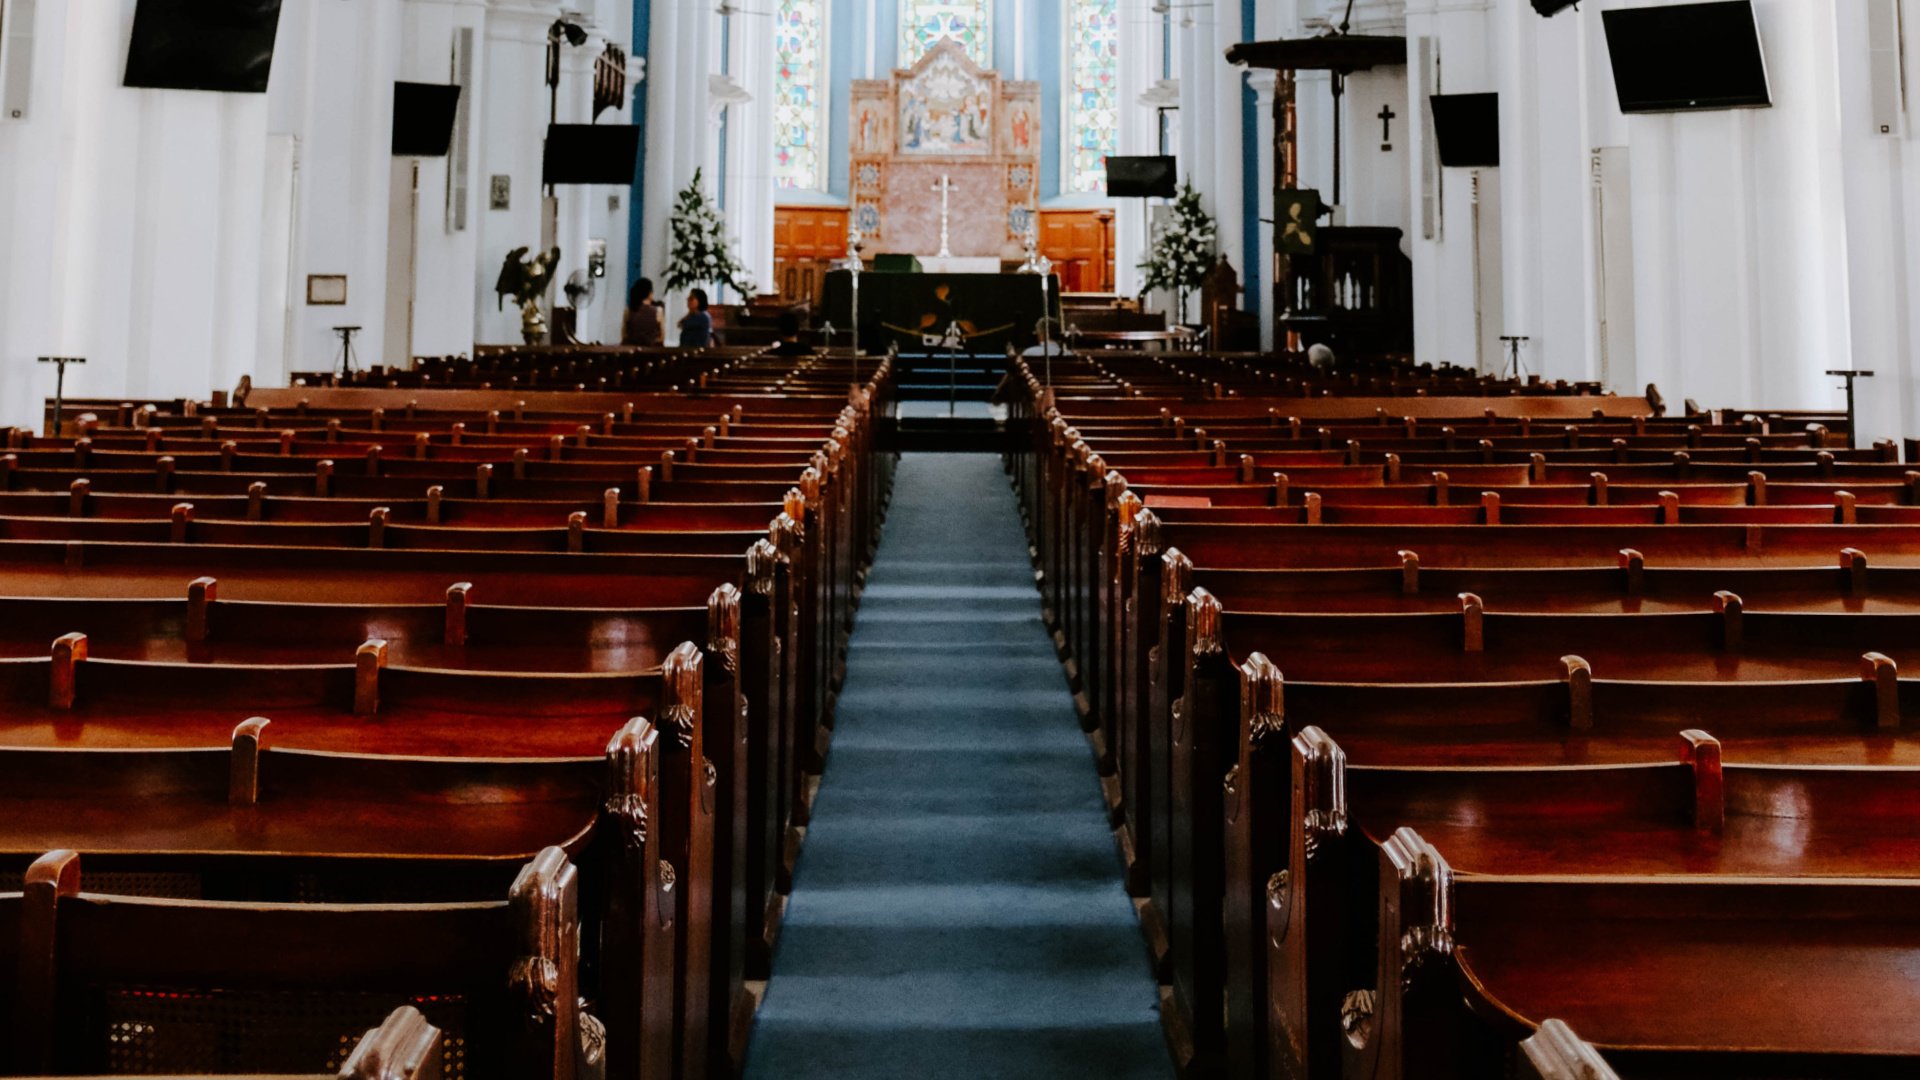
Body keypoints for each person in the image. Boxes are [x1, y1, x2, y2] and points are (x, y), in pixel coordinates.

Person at [621, 278, 663, 346]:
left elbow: (624, 336)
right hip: (651, 352)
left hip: (632, 351)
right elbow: (661, 338)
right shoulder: (658, 311)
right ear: (650, 293)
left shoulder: (628, 311)